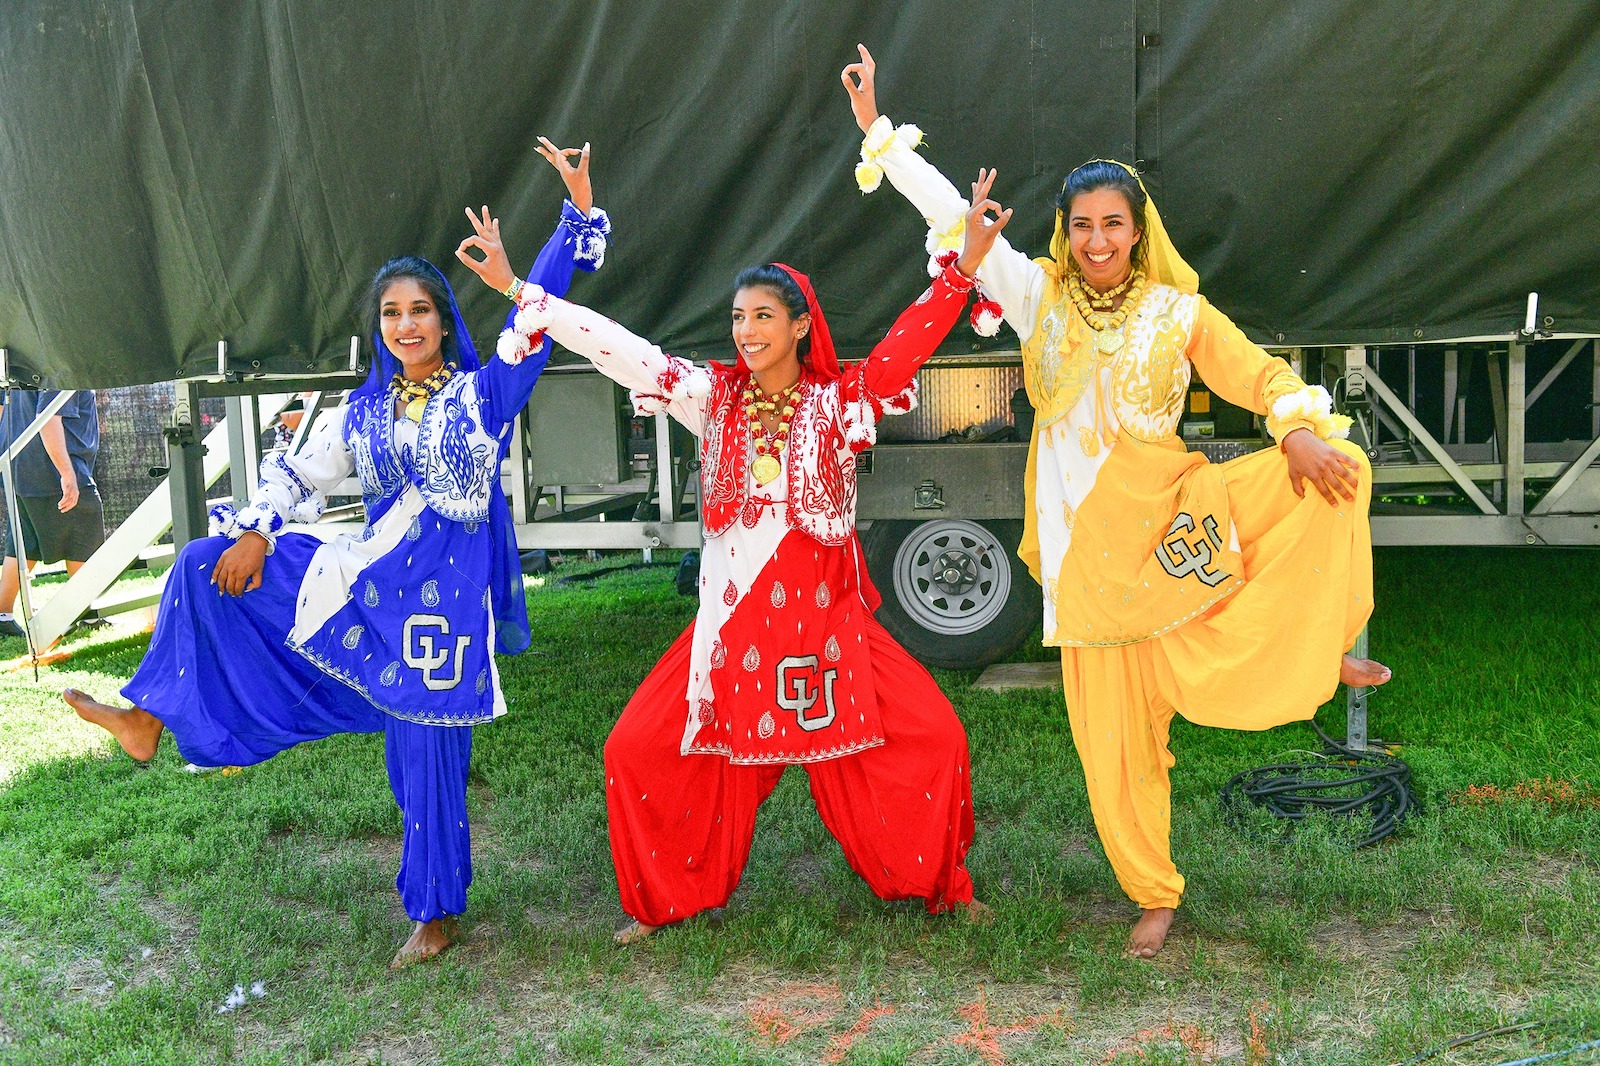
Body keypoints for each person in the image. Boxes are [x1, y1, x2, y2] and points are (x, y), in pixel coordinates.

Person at [841, 45, 1391, 957]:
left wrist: (1289, 426)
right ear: (1064, 230)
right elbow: (953, 217)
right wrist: (880, 138)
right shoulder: (1037, 296)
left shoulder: (1178, 314)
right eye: (1083, 226)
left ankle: (1310, 648)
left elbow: (1253, 372)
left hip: (1168, 517)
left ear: (1139, 230)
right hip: (1082, 555)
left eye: (1114, 225)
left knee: (1326, 469)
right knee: (1114, 744)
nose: (1098, 242)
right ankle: (1155, 890)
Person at [62, 140, 610, 966]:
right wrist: (255, 530)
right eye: (390, 315)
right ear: (378, 328)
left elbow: (536, 320)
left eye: (419, 310)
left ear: (442, 316)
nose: (405, 325)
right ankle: (145, 718)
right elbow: (294, 472)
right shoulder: (361, 413)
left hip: (443, 606)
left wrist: (573, 213)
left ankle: (435, 912)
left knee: (424, 752)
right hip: (370, 579)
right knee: (200, 564)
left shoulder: (483, 394)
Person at [455, 173, 1015, 943]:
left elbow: (904, 349)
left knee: (938, 738)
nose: (745, 331)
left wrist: (961, 271)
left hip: (829, 635)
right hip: (734, 635)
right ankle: (663, 898)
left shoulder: (840, 402)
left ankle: (940, 883)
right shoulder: (707, 396)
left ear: (798, 328)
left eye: (762, 317)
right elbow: (620, 350)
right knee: (635, 749)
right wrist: (521, 289)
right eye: (737, 318)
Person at [0, 389, 106, 638]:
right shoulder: (60, 359)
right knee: (85, 536)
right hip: (52, 470)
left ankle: (2, 615)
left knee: (24, 542)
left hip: (18, 466)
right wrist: (67, 474)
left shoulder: (19, 355)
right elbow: (48, 417)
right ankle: (87, 614)